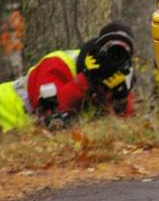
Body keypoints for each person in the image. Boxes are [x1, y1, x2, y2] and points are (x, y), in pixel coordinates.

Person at [0, 22, 136, 132]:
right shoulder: (58, 62)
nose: (116, 56)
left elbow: (120, 132)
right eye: (112, 49)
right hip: (4, 110)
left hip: (21, 135)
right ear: (98, 48)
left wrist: (121, 98)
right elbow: (50, 115)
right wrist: (88, 78)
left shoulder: (120, 78)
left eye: (123, 52)